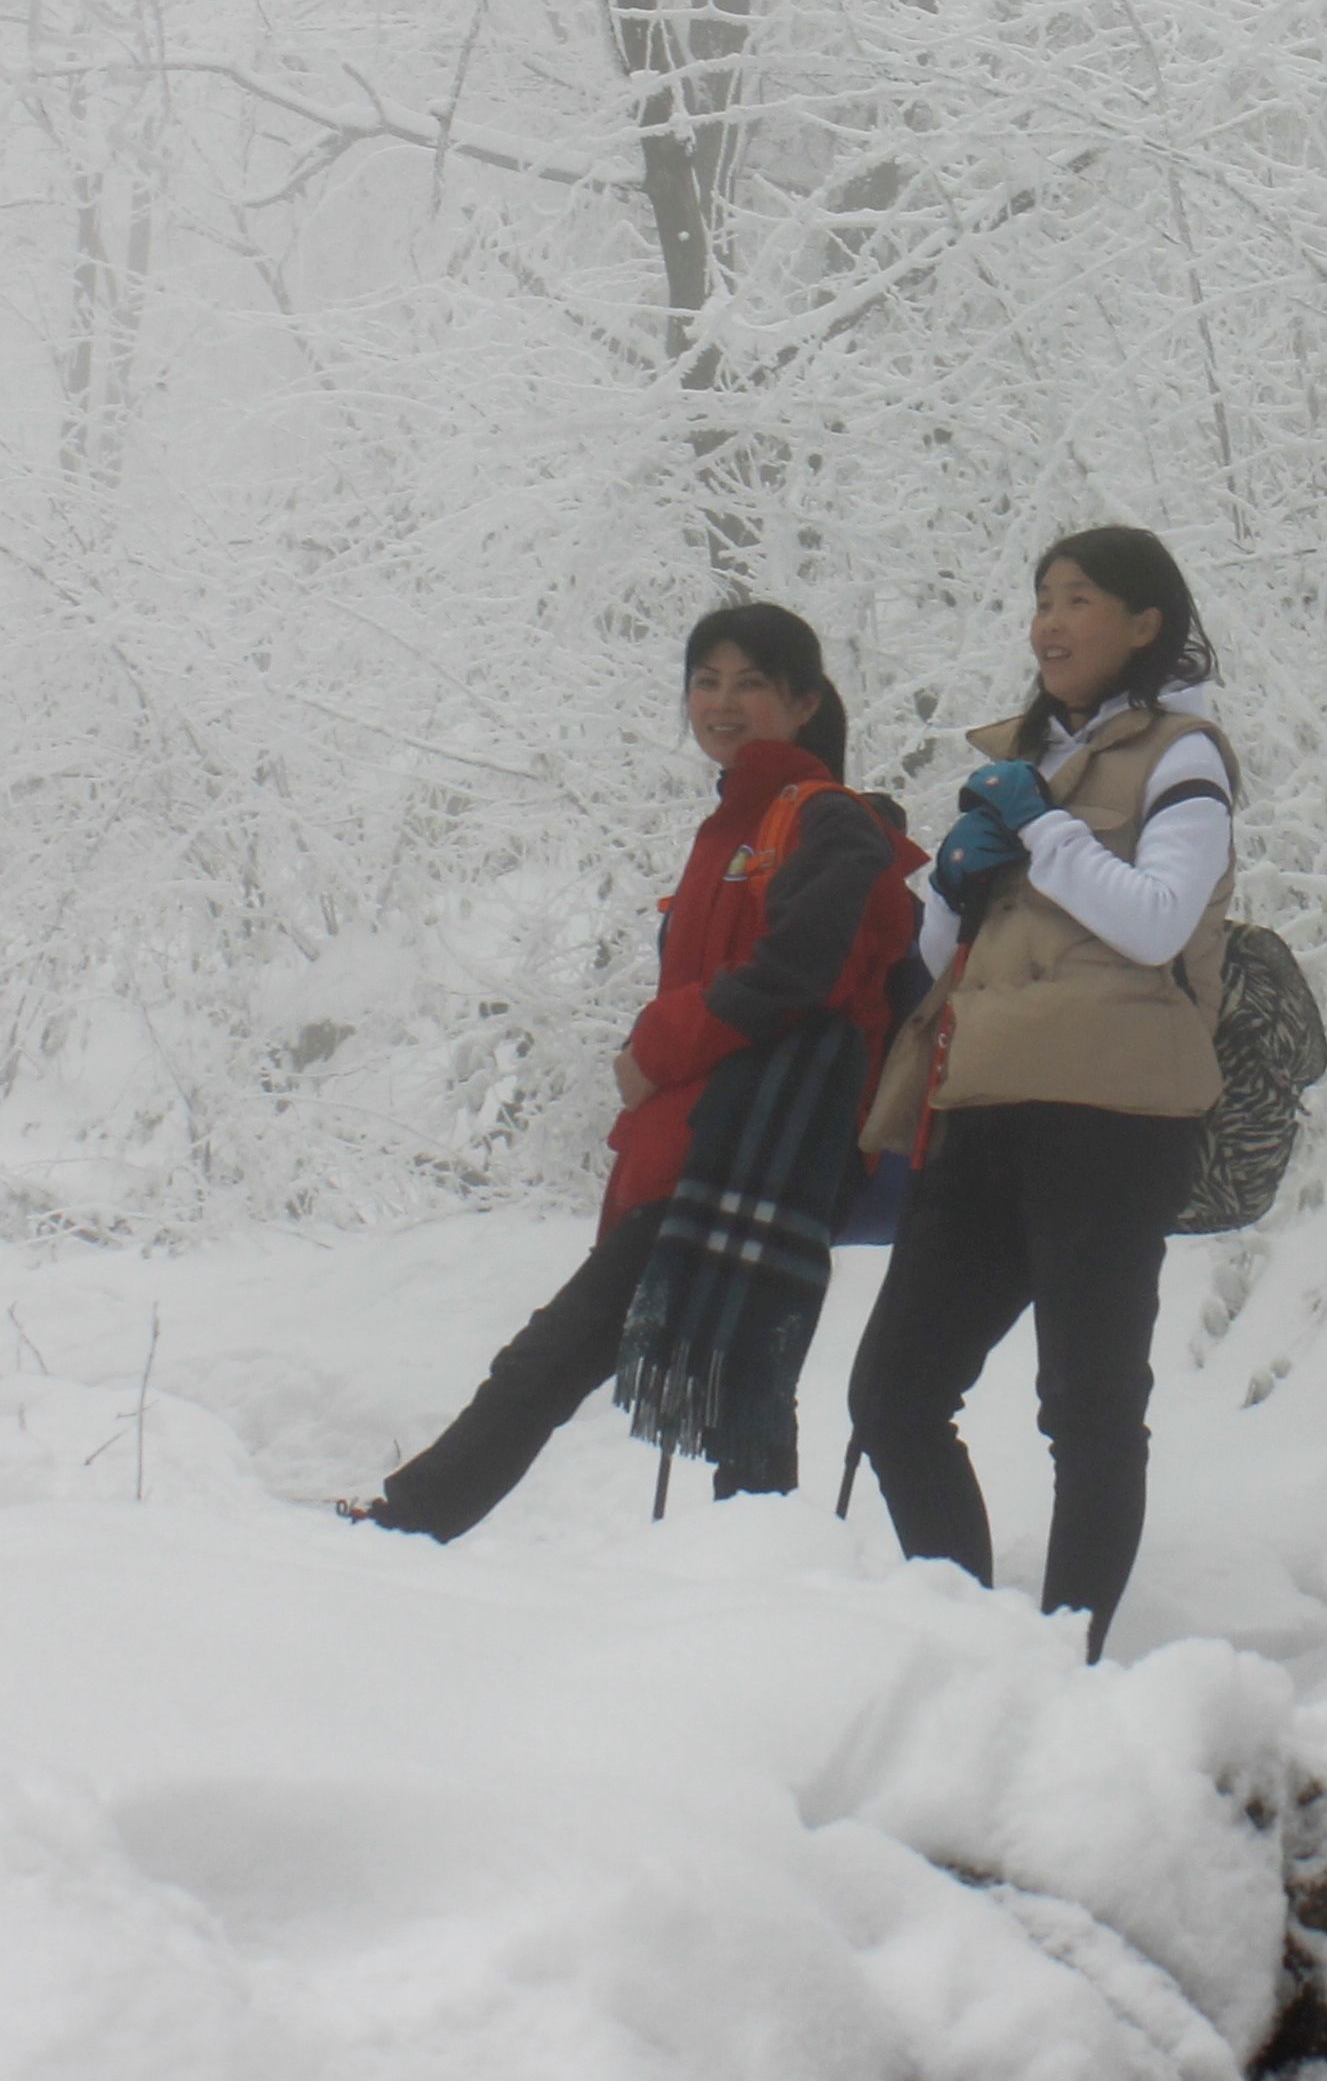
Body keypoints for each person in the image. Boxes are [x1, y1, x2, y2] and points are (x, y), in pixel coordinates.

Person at [362, 605, 915, 1537]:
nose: (722, 702)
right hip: (710, 1147)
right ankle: (762, 1575)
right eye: (706, 681)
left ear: (806, 701)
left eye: (750, 683)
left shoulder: (825, 822)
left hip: (751, 1149)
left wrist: (659, 1044)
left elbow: (802, 969)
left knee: (557, 1357)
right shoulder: (734, 827)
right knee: (740, 1378)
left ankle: (408, 1524)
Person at [844, 525, 1234, 1656]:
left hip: (1111, 1116)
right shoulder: (1028, 756)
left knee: (1088, 1407)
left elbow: (1159, 918)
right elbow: (931, 961)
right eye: (1041, 599)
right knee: (895, 1395)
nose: (1049, 623)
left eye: (1078, 600)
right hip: (985, 1098)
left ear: (1145, 623)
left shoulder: (1184, 756)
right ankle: (969, 1646)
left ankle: (1068, 1664)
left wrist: (1041, 824)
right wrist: (954, 888)